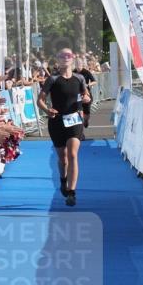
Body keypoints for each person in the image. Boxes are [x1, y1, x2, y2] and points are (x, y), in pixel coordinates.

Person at [38, 48, 90, 206]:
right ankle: (63, 180)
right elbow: (40, 100)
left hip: (74, 120)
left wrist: (86, 99)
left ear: (73, 59)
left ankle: (72, 193)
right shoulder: (52, 79)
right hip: (57, 121)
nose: (65, 58)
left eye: (68, 55)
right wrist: (47, 110)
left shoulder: (79, 78)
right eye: (62, 56)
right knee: (63, 158)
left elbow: (86, 95)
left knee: (73, 154)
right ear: (57, 60)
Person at [75, 55, 97, 129]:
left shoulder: (86, 72)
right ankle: (79, 128)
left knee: (86, 113)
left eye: (79, 64)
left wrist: (89, 84)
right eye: (76, 64)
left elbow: (94, 81)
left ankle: (86, 120)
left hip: (86, 94)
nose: (78, 66)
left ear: (82, 64)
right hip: (77, 94)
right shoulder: (73, 72)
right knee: (78, 111)